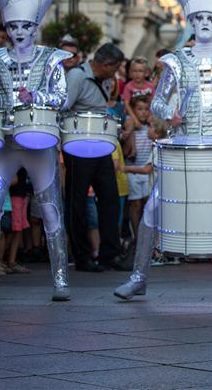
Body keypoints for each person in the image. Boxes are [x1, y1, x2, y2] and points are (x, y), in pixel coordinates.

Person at [114, 0, 212, 302]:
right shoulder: (176, 61)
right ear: (191, 24)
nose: (206, 23)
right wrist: (172, 115)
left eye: (211, 18)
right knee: (153, 210)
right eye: (199, 18)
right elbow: (157, 104)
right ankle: (139, 277)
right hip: (183, 148)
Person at [0, 0, 72, 301]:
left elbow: (62, 97)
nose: (19, 31)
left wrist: (37, 95)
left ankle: (59, 278)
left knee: (51, 209)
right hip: (4, 143)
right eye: (13, 26)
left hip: (39, 142)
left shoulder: (51, 59)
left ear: (35, 27)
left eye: (25, 25)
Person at [64, 42, 127, 273]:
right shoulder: (77, 77)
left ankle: (110, 254)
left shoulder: (108, 81)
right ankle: (83, 256)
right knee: (77, 202)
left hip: (101, 145)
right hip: (78, 144)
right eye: (115, 68)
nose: (116, 73)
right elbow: (64, 107)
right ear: (105, 64)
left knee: (110, 198)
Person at [121, 95, 154, 244]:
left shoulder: (151, 128)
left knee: (148, 205)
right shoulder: (130, 126)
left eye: (146, 109)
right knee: (135, 205)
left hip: (147, 171)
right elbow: (127, 149)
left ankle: (148, 237)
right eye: (139, 109)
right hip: (132, 171)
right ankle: (136, 237)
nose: (143, 112)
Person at [122, 57, 154, 122]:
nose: (137, 74)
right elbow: (127, 105)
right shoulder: (128, 87)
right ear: (130, 73)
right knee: (129, 122)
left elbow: (153, 103)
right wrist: (135, 119)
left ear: (146, 73)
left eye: (140, 71)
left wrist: (150, 115)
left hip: (147, 113)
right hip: (132, 115)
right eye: (135, 71)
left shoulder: (150, 86)